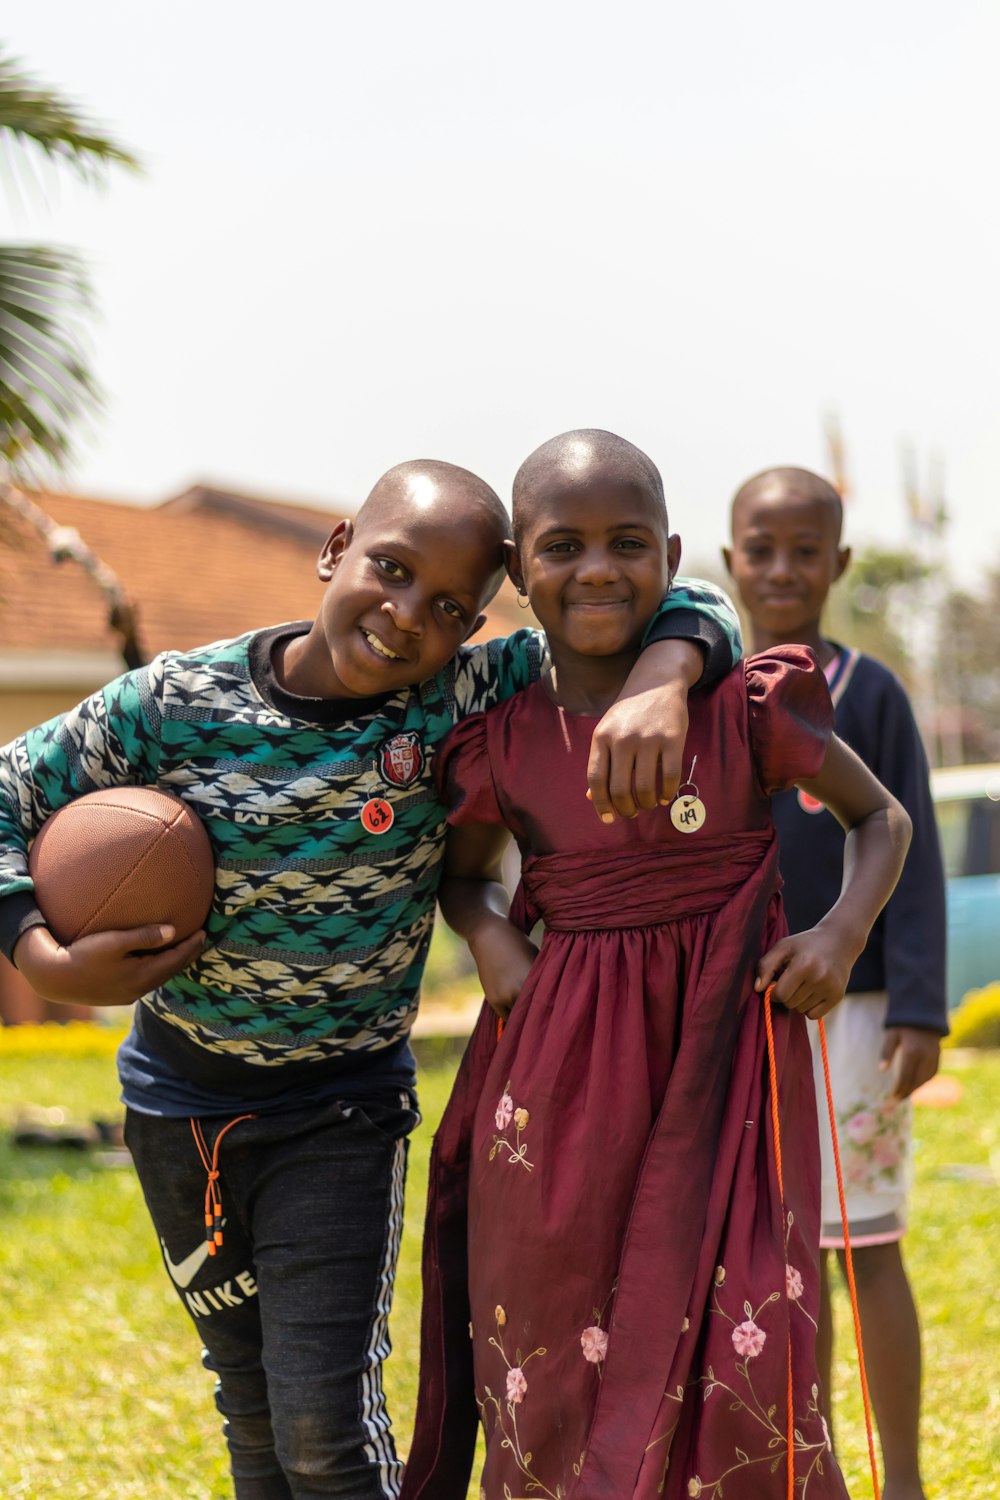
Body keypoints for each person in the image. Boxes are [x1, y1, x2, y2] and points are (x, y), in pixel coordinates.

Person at [0, 457, 742, 1500]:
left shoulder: (457, 693)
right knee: (251, 1411)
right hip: (176, 1109)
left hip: (337, 1111)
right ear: (336, 547)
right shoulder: (173, 702)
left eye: (448, 606)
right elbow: (5, 791)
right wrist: (39, 950)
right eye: (389, 570)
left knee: (323, 1427)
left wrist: (667, 679)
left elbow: (688, 600)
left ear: (475, 626)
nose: (405, 616)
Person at [401, 431, 911, 1500]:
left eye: (628, 543)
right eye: (563, 546)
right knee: (546, 1308)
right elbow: (462, 877)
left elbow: (883, 821)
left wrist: (840, 933)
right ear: (517, 571)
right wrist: (494, 939)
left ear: (672, 556)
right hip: (560, 1068)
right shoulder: (499, 739)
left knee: (743, 1333)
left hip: (729, 1056)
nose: (596, 568)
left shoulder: (747, 711)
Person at [723, 466, 948, 1500]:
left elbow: (915, 850)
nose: (779, 569)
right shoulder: (703, 693)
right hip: (733, 1022)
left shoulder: (870, 695)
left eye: (803, 551)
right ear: (727, 561)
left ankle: (898, 1479)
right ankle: (802, 1474)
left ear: (838, 563)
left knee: (866, 1250)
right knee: (777, 1265)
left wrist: (916, 1005)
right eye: (759, 550)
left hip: (852, 1025)